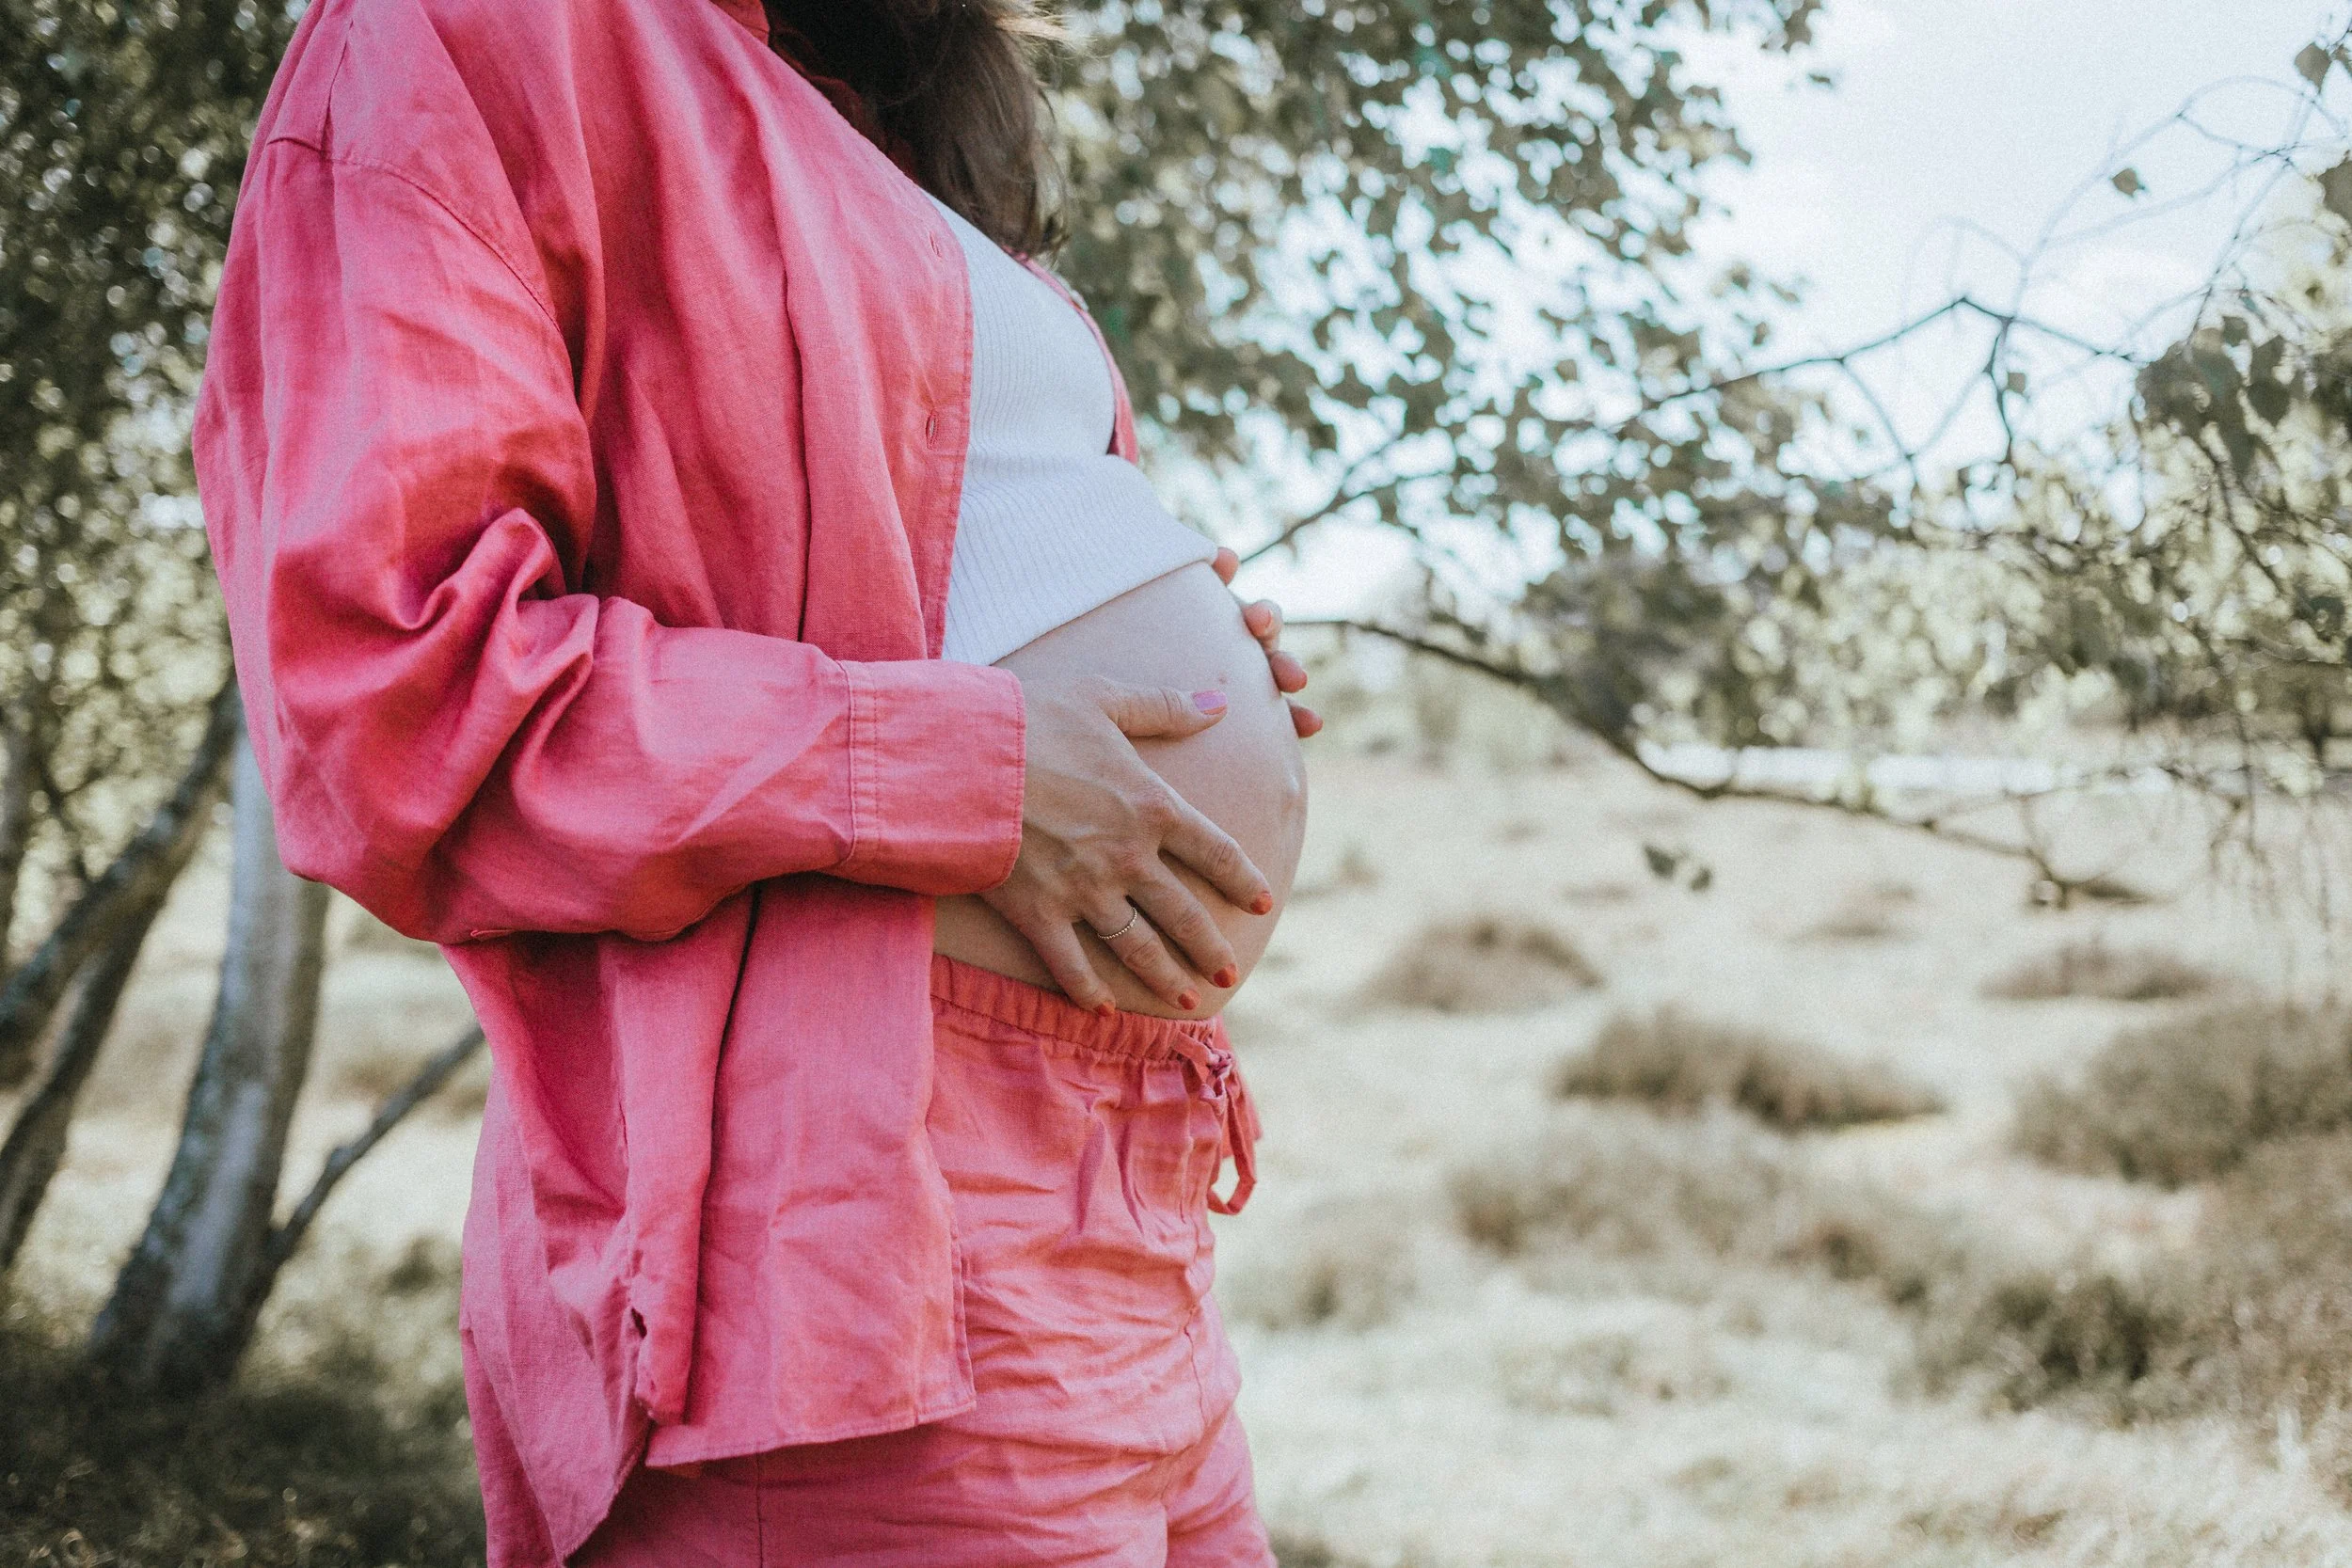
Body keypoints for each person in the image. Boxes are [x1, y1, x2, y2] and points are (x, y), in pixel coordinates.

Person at [194, 0, 1318, 1561]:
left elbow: (914, 550)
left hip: (1122, 1200)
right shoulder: (468, 32)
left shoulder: (866, 106)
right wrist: (980, 763)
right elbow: (391, 690)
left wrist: (1180, 644)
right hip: (856, 1234)